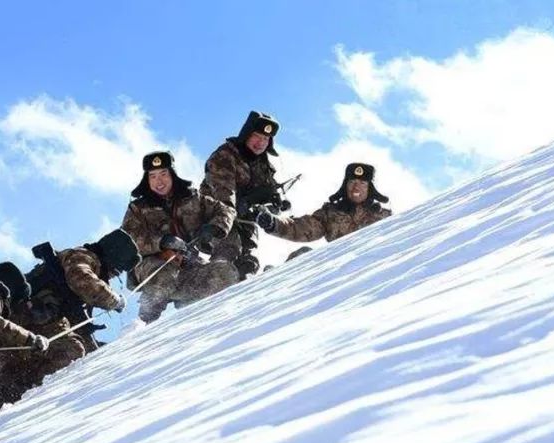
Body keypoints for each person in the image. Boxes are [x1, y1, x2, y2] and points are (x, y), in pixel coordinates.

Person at [0, 230, 138, 419]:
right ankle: (29, 394)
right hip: (37, 316)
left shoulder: (76, 259)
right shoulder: (84, 256)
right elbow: (81, 279)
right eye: (115, 270)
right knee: (72, 349)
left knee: (10, 373)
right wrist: (113, 300)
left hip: (17, 324)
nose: (111, 275)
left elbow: (77, 322)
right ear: (111, 257)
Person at [121, 151, 239, 322]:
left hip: (188, 264)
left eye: (163, 174)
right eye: (152, 176)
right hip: (151, 266)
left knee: (225, 273)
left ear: (172, 174)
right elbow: (129, 239)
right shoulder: (137, 208)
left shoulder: (192, 198)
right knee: (164, 272)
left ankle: (194, 317)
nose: (159, 181)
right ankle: (143, 324)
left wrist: (214, 227)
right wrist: (161, 242)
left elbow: (226, 210)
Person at [200, 110, 286, 280]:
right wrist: (244, 203)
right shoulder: (225, 155)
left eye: (265, 139)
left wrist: (273, 204)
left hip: (246, 225)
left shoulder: (265, 166)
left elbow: (268, 204)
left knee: (248, 263)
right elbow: (223, 196)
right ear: (246, 134)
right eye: (257, 136)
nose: (260, 143)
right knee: (228, 253)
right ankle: (209, 292)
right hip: (217, 219)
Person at [255, 162, 392, 260]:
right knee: (301, 255)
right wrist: (274, 223)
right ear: (345, 185)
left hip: (372, 268)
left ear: (370, 188)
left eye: (362, 183)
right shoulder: (330, 213)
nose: (356, 188)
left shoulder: (384, 217)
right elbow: (302, 228)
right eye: (352, 182)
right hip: (337, 268)